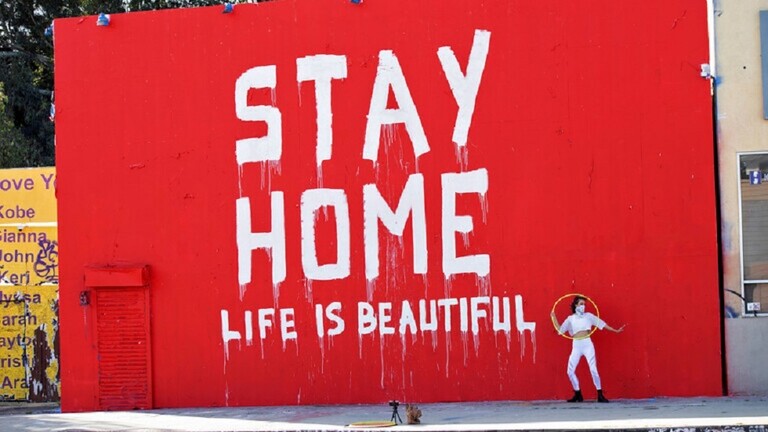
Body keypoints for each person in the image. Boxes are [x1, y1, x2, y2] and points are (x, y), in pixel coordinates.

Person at [550, 295, 625, 403]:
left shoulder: (589, 316)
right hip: (576, 345)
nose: (583, 306)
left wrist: (615, 330)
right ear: (576, 305)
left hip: (587, 344)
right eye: (581, 304)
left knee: (593, 369)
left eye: (584, 304)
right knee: (570, 371)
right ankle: (578, 394)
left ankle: (600, 394)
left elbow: (601, 323)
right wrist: (553, 317)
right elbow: (560, 331)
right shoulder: (570, 319)